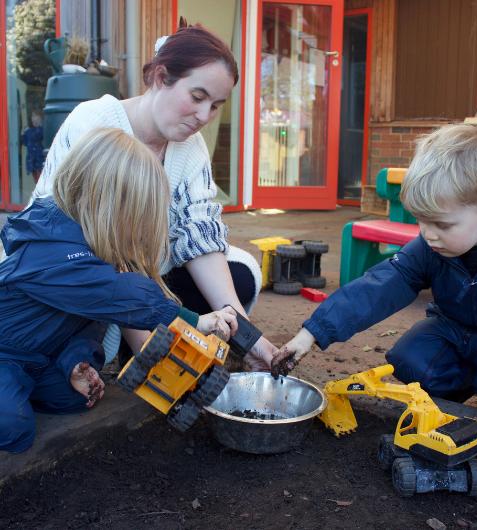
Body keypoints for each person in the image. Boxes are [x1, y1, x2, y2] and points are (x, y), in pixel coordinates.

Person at [30, 21, 276, 370]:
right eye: (197, 97)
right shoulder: (96, 124)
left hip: (146, 279)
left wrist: (250, 339)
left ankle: (152, 336)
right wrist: (149, 350)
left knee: (241, 277)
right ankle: (140, 345)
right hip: (80, 274)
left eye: (216, 105)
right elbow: (102, 250)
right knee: (66, 348)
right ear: (161, 77)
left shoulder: (190, 147)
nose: (205, 116)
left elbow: (199, 237)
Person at [272, 124, 477, 449]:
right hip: (454, 328)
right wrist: (311, 333)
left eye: (441, 224)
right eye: (421, 221)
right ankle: (455, 395)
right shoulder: (432, 244)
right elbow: (380, 286)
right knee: (410, 359)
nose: (428, 233)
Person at [0, 128, 239, 454]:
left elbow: (90, 321)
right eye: (136, 217)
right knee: (13, 428)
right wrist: (197, 322)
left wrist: (76, 361)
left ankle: (21, 386)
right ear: (107, 205)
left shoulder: (92, 248)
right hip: (6, 354)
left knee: (74, 398)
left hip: (40, 357)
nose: (139, 229)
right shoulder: (53, 251)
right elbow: (121, 296)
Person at [21, 110, 45, 183]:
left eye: (35, 116)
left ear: (40, 118)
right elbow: (25, 143)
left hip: (39, 159)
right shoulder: (30, 130)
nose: (33, 118)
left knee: (40, 180)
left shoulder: (42, 129)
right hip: (32, 160)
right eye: (32, 116)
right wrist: (23, 135)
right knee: (36, 180)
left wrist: (26, 132)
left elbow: (36, 136)